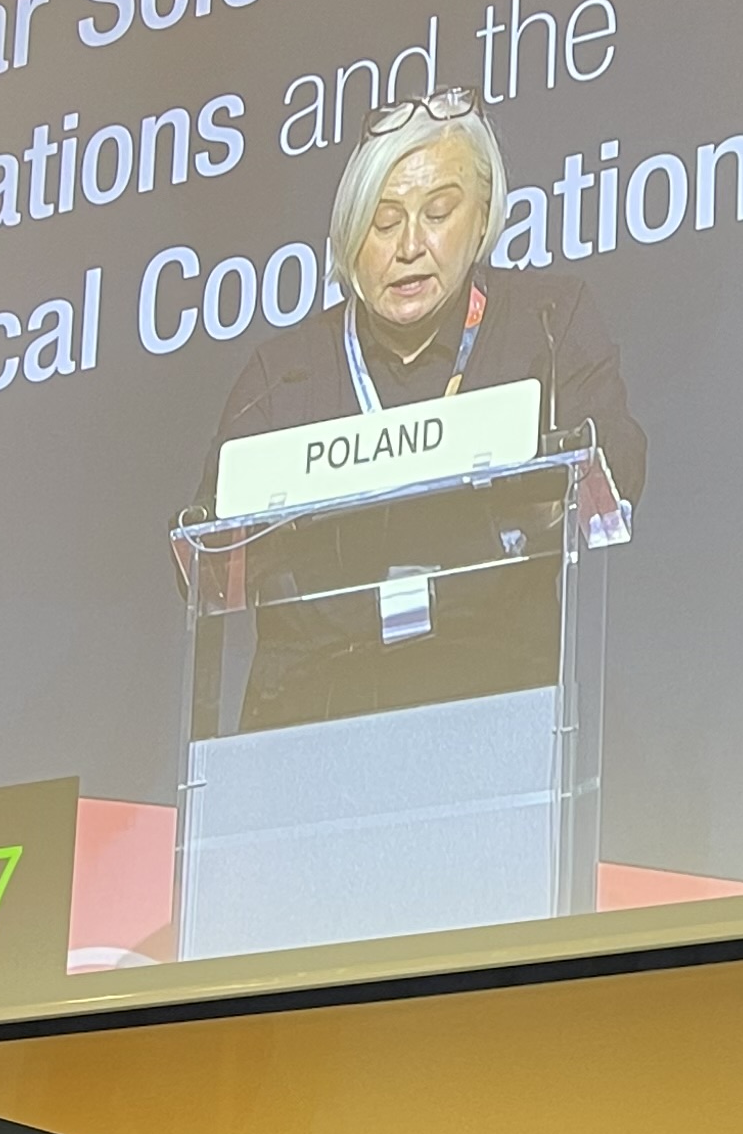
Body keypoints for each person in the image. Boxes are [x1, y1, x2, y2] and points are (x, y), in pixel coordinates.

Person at [193, 95, 645, 731]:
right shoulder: (286, 372)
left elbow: (617, 466)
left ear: (482, 216)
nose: (409, 246)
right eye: (383, 223)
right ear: (350, 234)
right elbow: (208, 557)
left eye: (437, 214)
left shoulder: (545, 323)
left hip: (496, 698)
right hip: (312, 713)